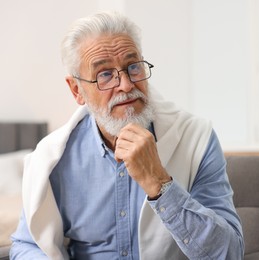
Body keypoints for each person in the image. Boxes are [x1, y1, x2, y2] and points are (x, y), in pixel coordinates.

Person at [10, 11, 244, 260]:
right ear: (77, 90)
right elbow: (27, 245)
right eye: (105, 75)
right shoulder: (53, 158)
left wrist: (160, 183)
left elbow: (229, 253)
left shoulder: (197, 138)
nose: (126, 85)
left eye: (133, 67)